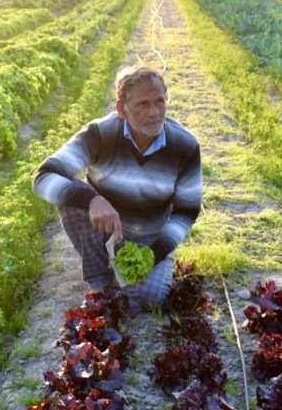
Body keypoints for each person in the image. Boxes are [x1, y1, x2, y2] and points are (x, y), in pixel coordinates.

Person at [32, 65, 202, 309]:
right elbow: (43, 177)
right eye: (142, 104)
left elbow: (186, 212)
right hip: (104, 227)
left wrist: (155, 253)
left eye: (160, 101)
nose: (155, 112)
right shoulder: (100, 134)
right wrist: (92, 200)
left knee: (147, 299)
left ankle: (141, 268)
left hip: (149, 236)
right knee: (71, 197)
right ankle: (99, 280)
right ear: (122, 109)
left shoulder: (184, 145)